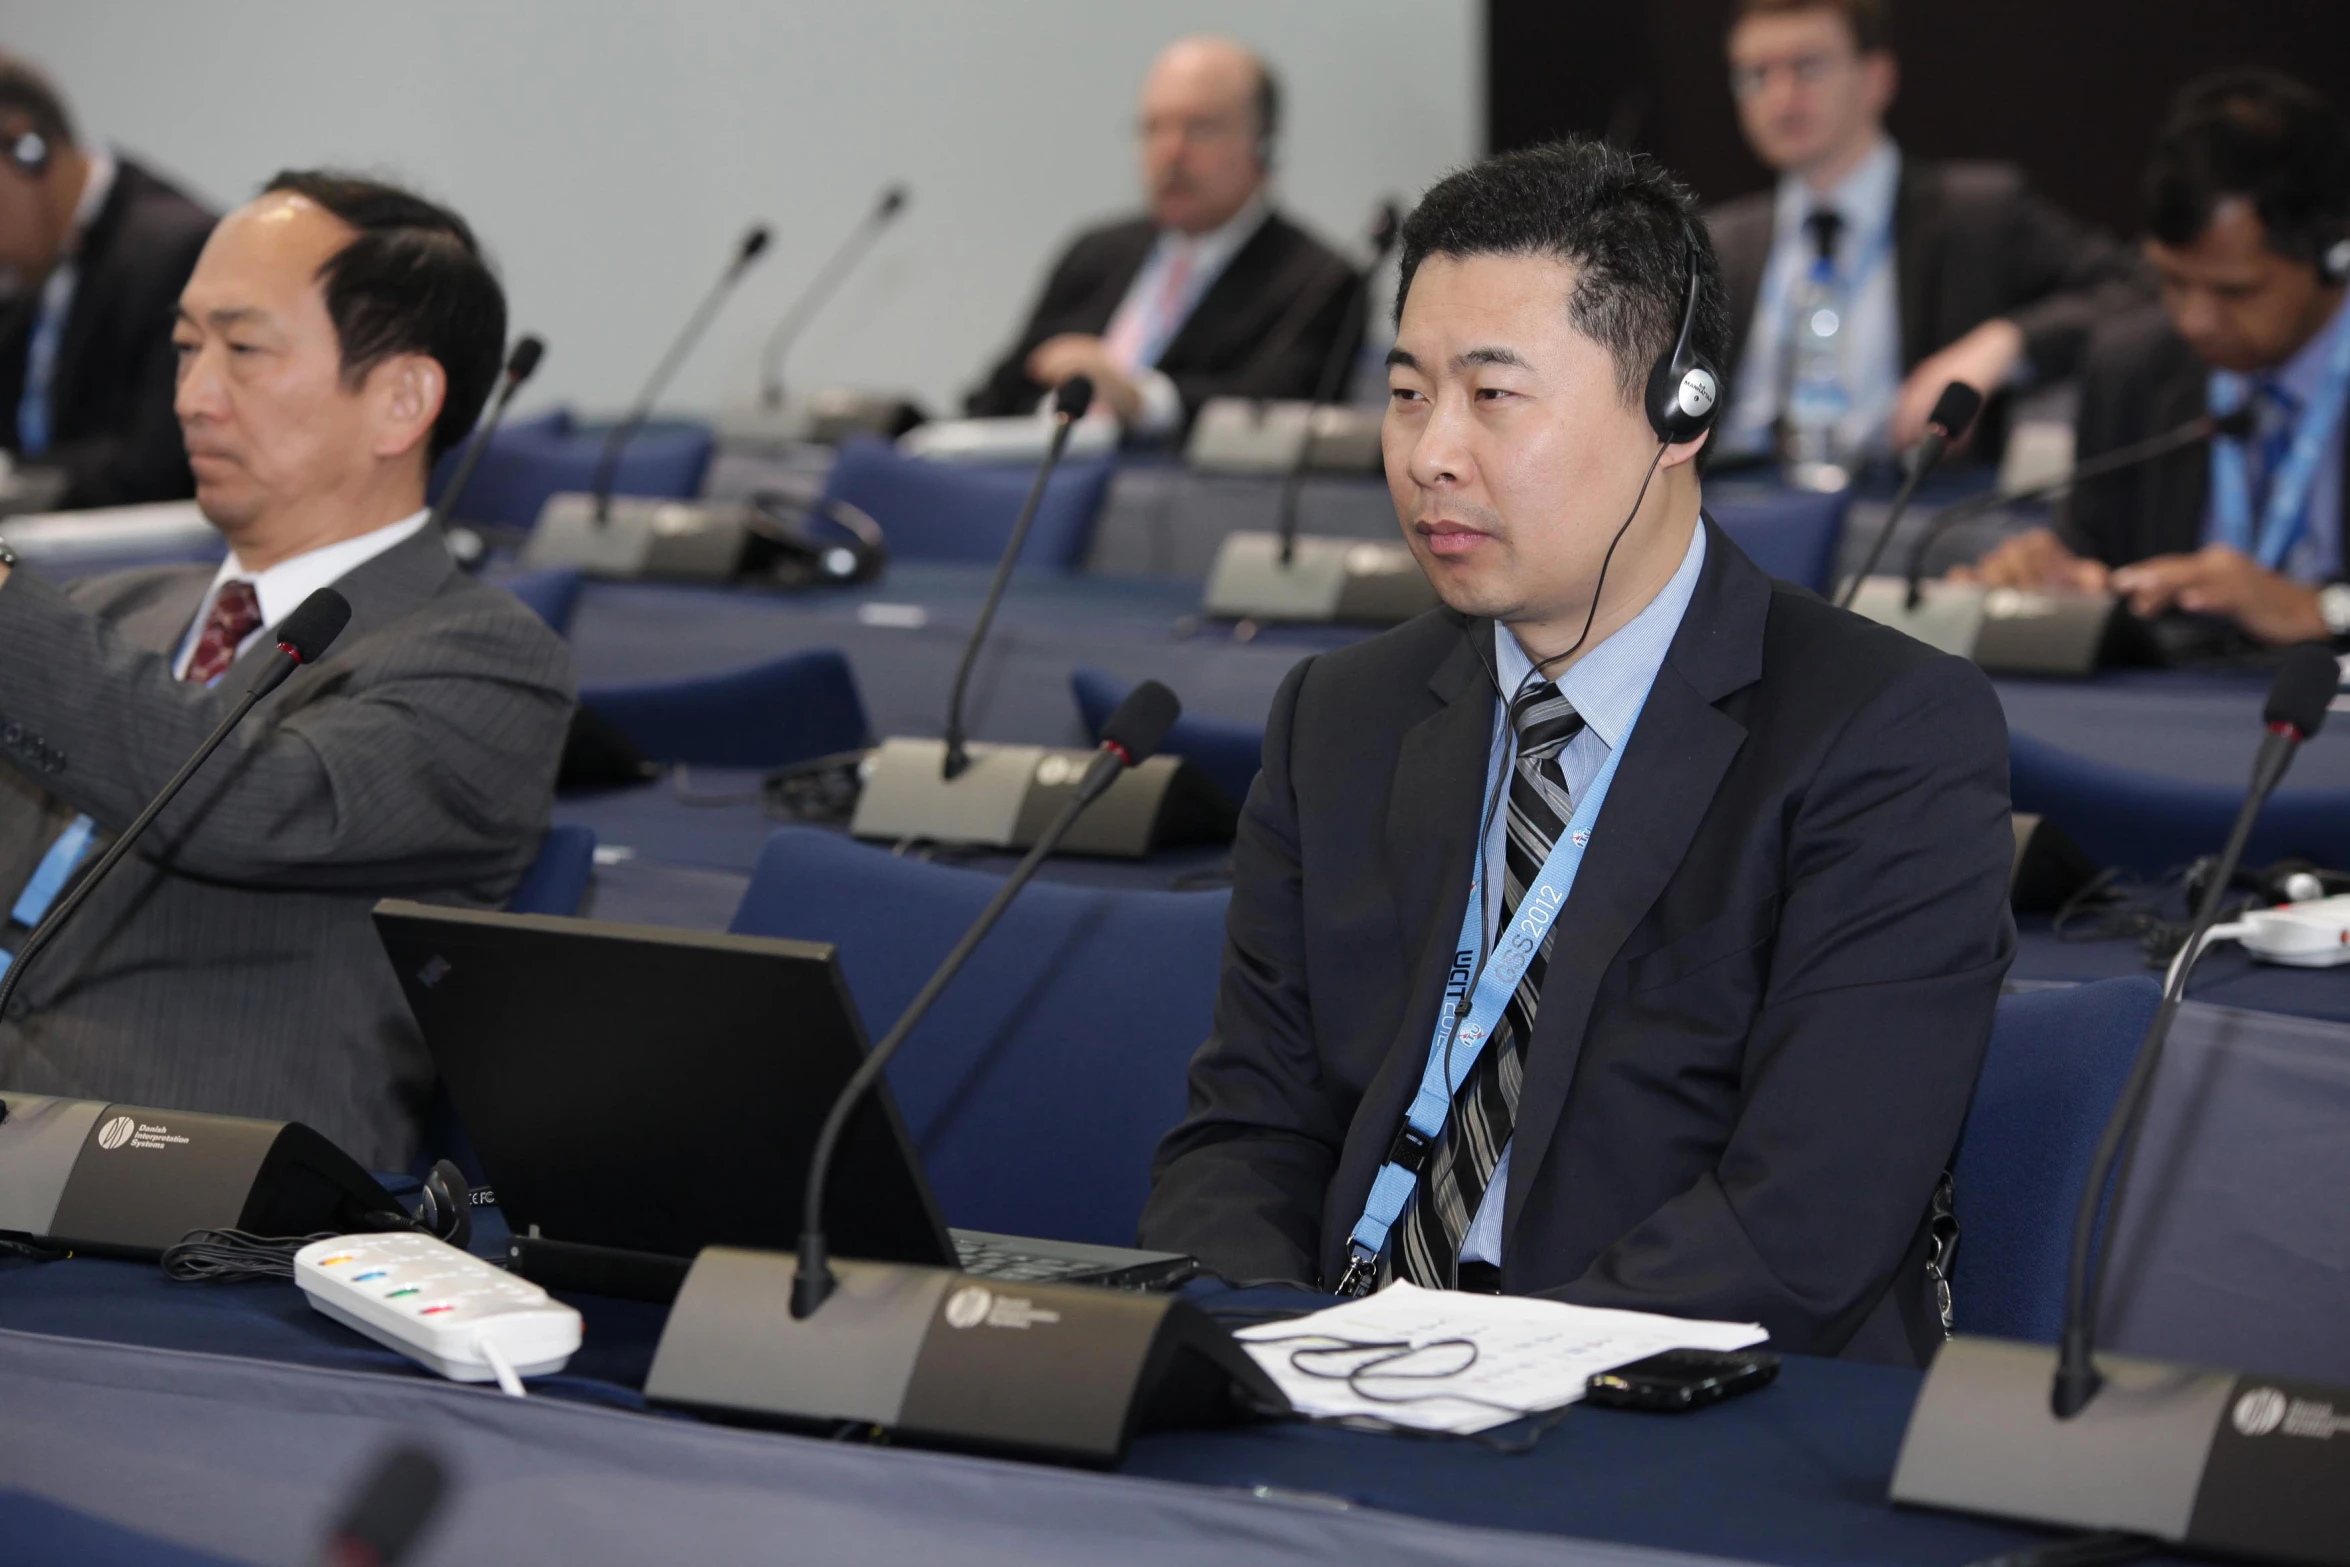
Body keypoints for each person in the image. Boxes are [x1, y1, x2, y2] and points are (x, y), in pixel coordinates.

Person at [1140, 139, 2014, 1365]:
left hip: (1678, 1409)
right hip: (1340, 1385)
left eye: (1492, 395)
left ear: (1678, 410)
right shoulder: (1338, 716)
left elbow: (1805, 1222)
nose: (1430, 452)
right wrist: (1251, 1353)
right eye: (1405, 393)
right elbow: (1247, 1133)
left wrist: (1481, 1374)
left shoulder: (1883, 735)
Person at [0, 171, 575, 1169]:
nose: (192, 396)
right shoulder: (112, 609)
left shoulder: (482, 663)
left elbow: (244, 798)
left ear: (401, 399)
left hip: (180, 1183)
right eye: (184, 348)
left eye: (243, 350)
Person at [1961, 72, 2350, 648]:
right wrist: (2061, 577)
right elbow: (2093, 557)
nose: (2195, 320)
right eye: (2173, 281)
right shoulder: (2133, 367)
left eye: (2235, 292)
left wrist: (2325, 608)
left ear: (2334, 256)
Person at [1705, 0, 2142, 466]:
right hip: (1737, 493)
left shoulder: (1978, 215)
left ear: (1876, 77)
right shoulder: (1716, 242)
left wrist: (2001, 344)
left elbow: (2132, 287)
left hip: (1902, 502)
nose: (1780, 97)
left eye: (1807, 67)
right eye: (1754, 75)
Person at [964, 35, 1363, 437]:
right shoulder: (1094, 253)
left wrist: (1138, 399)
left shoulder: (1318, 281)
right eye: (1154, 128)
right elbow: (997, 396)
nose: (1170, 151)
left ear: (1265, 145)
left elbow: (1275, 412)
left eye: (1200, 128)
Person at [0, 53, 216, 509]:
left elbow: (159, 462)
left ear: (26, 150)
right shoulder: (28, 272)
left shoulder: (177, 249)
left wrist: (17, 481)